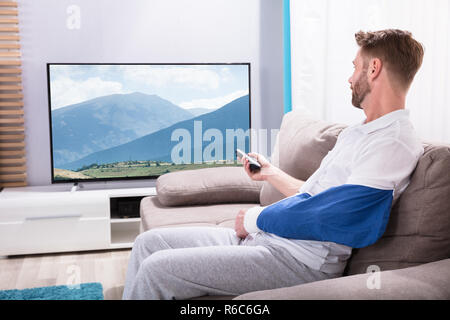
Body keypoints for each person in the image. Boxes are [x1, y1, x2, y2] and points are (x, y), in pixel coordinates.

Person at [122, 29, 425, 300]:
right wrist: (270, 173)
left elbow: (346, 217)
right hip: (270, 241)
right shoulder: (360, 132)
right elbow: (316, 198)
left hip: (300, 261)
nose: (350, 78)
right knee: (149, 243)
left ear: (374, 69)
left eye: (355, 67)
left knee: (157, 270)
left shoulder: (393, 141)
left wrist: (257, 218)